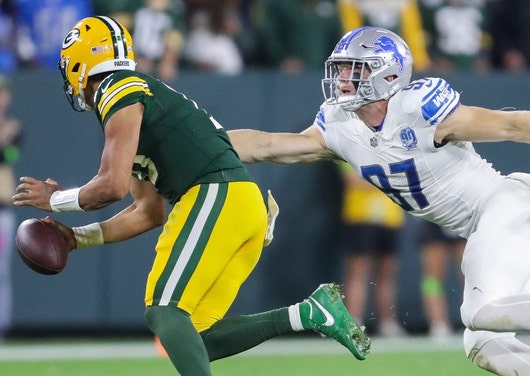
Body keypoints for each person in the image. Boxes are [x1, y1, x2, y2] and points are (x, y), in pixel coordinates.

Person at [227, 26, 530, 376]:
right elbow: (268, 144)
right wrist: (202, 140)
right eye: (340, 70)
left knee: (480, 312)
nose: (342, 80)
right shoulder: (339, 125)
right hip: (483, 226)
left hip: (507, 207)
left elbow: (508, 125)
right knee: (483, 343)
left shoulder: (420, 108)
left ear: (387, 76)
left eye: (353, 70)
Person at [12, 16, 370, 376]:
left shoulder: (117, 89)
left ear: (79, 64)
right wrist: (76, 238)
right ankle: (309, 313)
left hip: (214, 194)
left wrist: (55, 200)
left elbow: (112, 185)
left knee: (163, 310)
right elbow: (148, 212)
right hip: (240, 205)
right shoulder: (139, 101)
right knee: (195, 335)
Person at [337, 161, 406, 337]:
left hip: (390, 218)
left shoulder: (392, 146)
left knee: (387, 273)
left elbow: (404, 180)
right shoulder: (349, 148)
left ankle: (387, 323)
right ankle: (352, 322)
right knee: (358, 271)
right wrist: (386, 181)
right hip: (361, 217)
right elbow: (353, 180)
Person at [417, 220, 465, 342]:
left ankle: (478, 323)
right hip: (434, 216)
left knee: (469, 274)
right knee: (432, 277)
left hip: (462, 215)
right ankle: (438, 324)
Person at [0, 75, 21, 339]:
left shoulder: (13, 127)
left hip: (2, 210)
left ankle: (1, 327)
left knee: (1, 271)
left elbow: (8, 154)